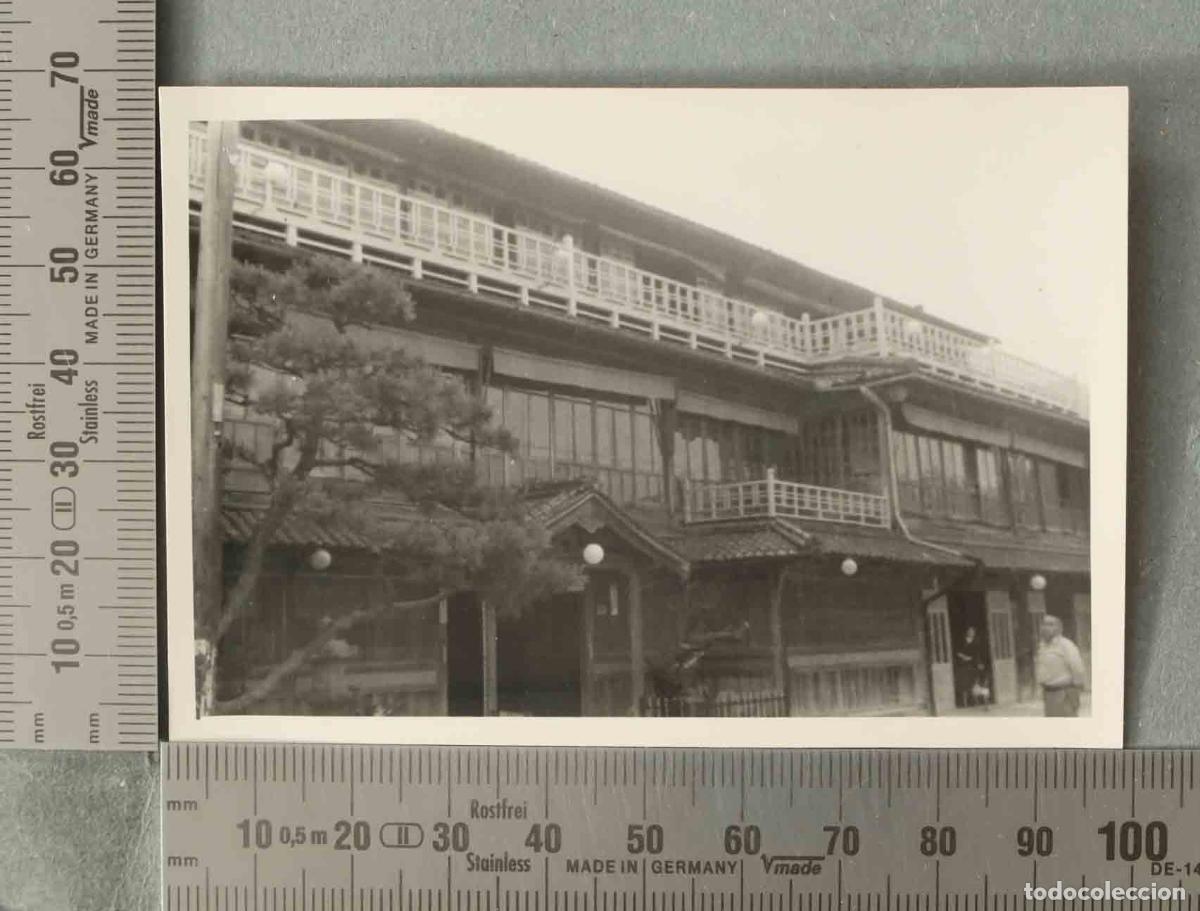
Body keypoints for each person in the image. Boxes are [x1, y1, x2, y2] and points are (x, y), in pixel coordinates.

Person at [1035, 614, 1087, 716]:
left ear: (1059, 628)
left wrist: (1073, 692)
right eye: (1044, 624)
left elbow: (1078, 669)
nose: (1045, 628)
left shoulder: (1066, 645)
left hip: (1064, 694)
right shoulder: (1043, 647)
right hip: (1048, 694)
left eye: (1050, 624)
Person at [954, 626, 988, 707]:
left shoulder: (977, 641)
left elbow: (978, 654)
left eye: (972, 631)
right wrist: (963, 657)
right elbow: (957, 651)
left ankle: (978, 700)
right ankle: (965, 702)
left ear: (974, 633)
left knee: (979, 679)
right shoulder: (961, 641)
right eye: (969, 631)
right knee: (964, 679)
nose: (971, 633)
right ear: (966, 632)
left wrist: (979, 663)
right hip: (963, 663)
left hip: (974, 663)